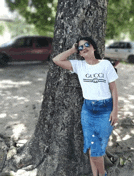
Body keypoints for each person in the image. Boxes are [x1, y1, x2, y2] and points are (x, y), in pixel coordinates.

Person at [53, 37, 118, 176]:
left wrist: (115, 110)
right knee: (91, 148)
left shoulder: (105, 64)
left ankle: (103, 174)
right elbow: (56, 60)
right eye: (81, 47)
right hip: (88, 111)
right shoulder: (79, 65)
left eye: (87, 45)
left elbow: (113, 89)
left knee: (97, 151)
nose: (84, 48)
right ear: (80, 53)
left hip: (105, 110)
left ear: (94, 47)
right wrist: (72, 49)